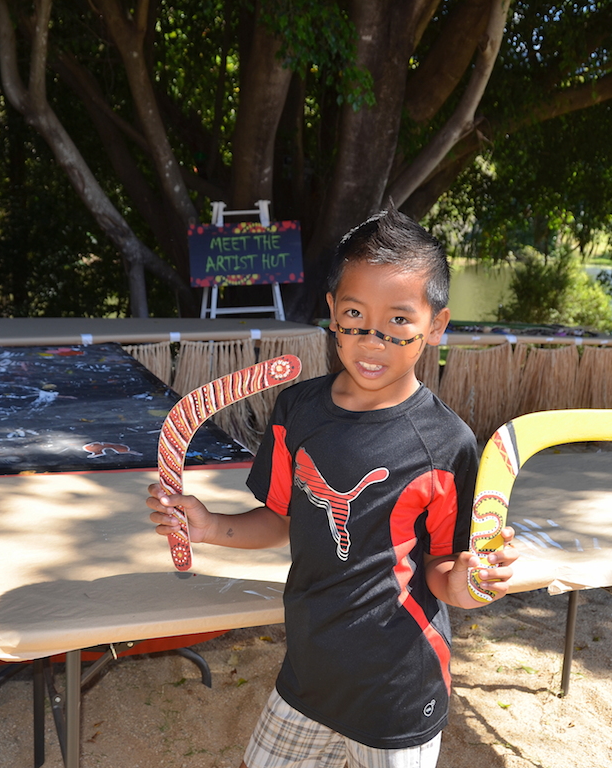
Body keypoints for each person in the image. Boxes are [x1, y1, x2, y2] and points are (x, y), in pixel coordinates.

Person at [146, 208, 518, 768]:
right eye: (354, 315)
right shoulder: (297, 409)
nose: (372, 340)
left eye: (398, 320)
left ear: (436, 325)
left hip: (398, 689)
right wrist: (209, 526)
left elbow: (445, 574)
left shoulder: (447, 444)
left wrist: (474, 583)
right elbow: (281, 519)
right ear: (331, 313)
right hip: (307, 675)